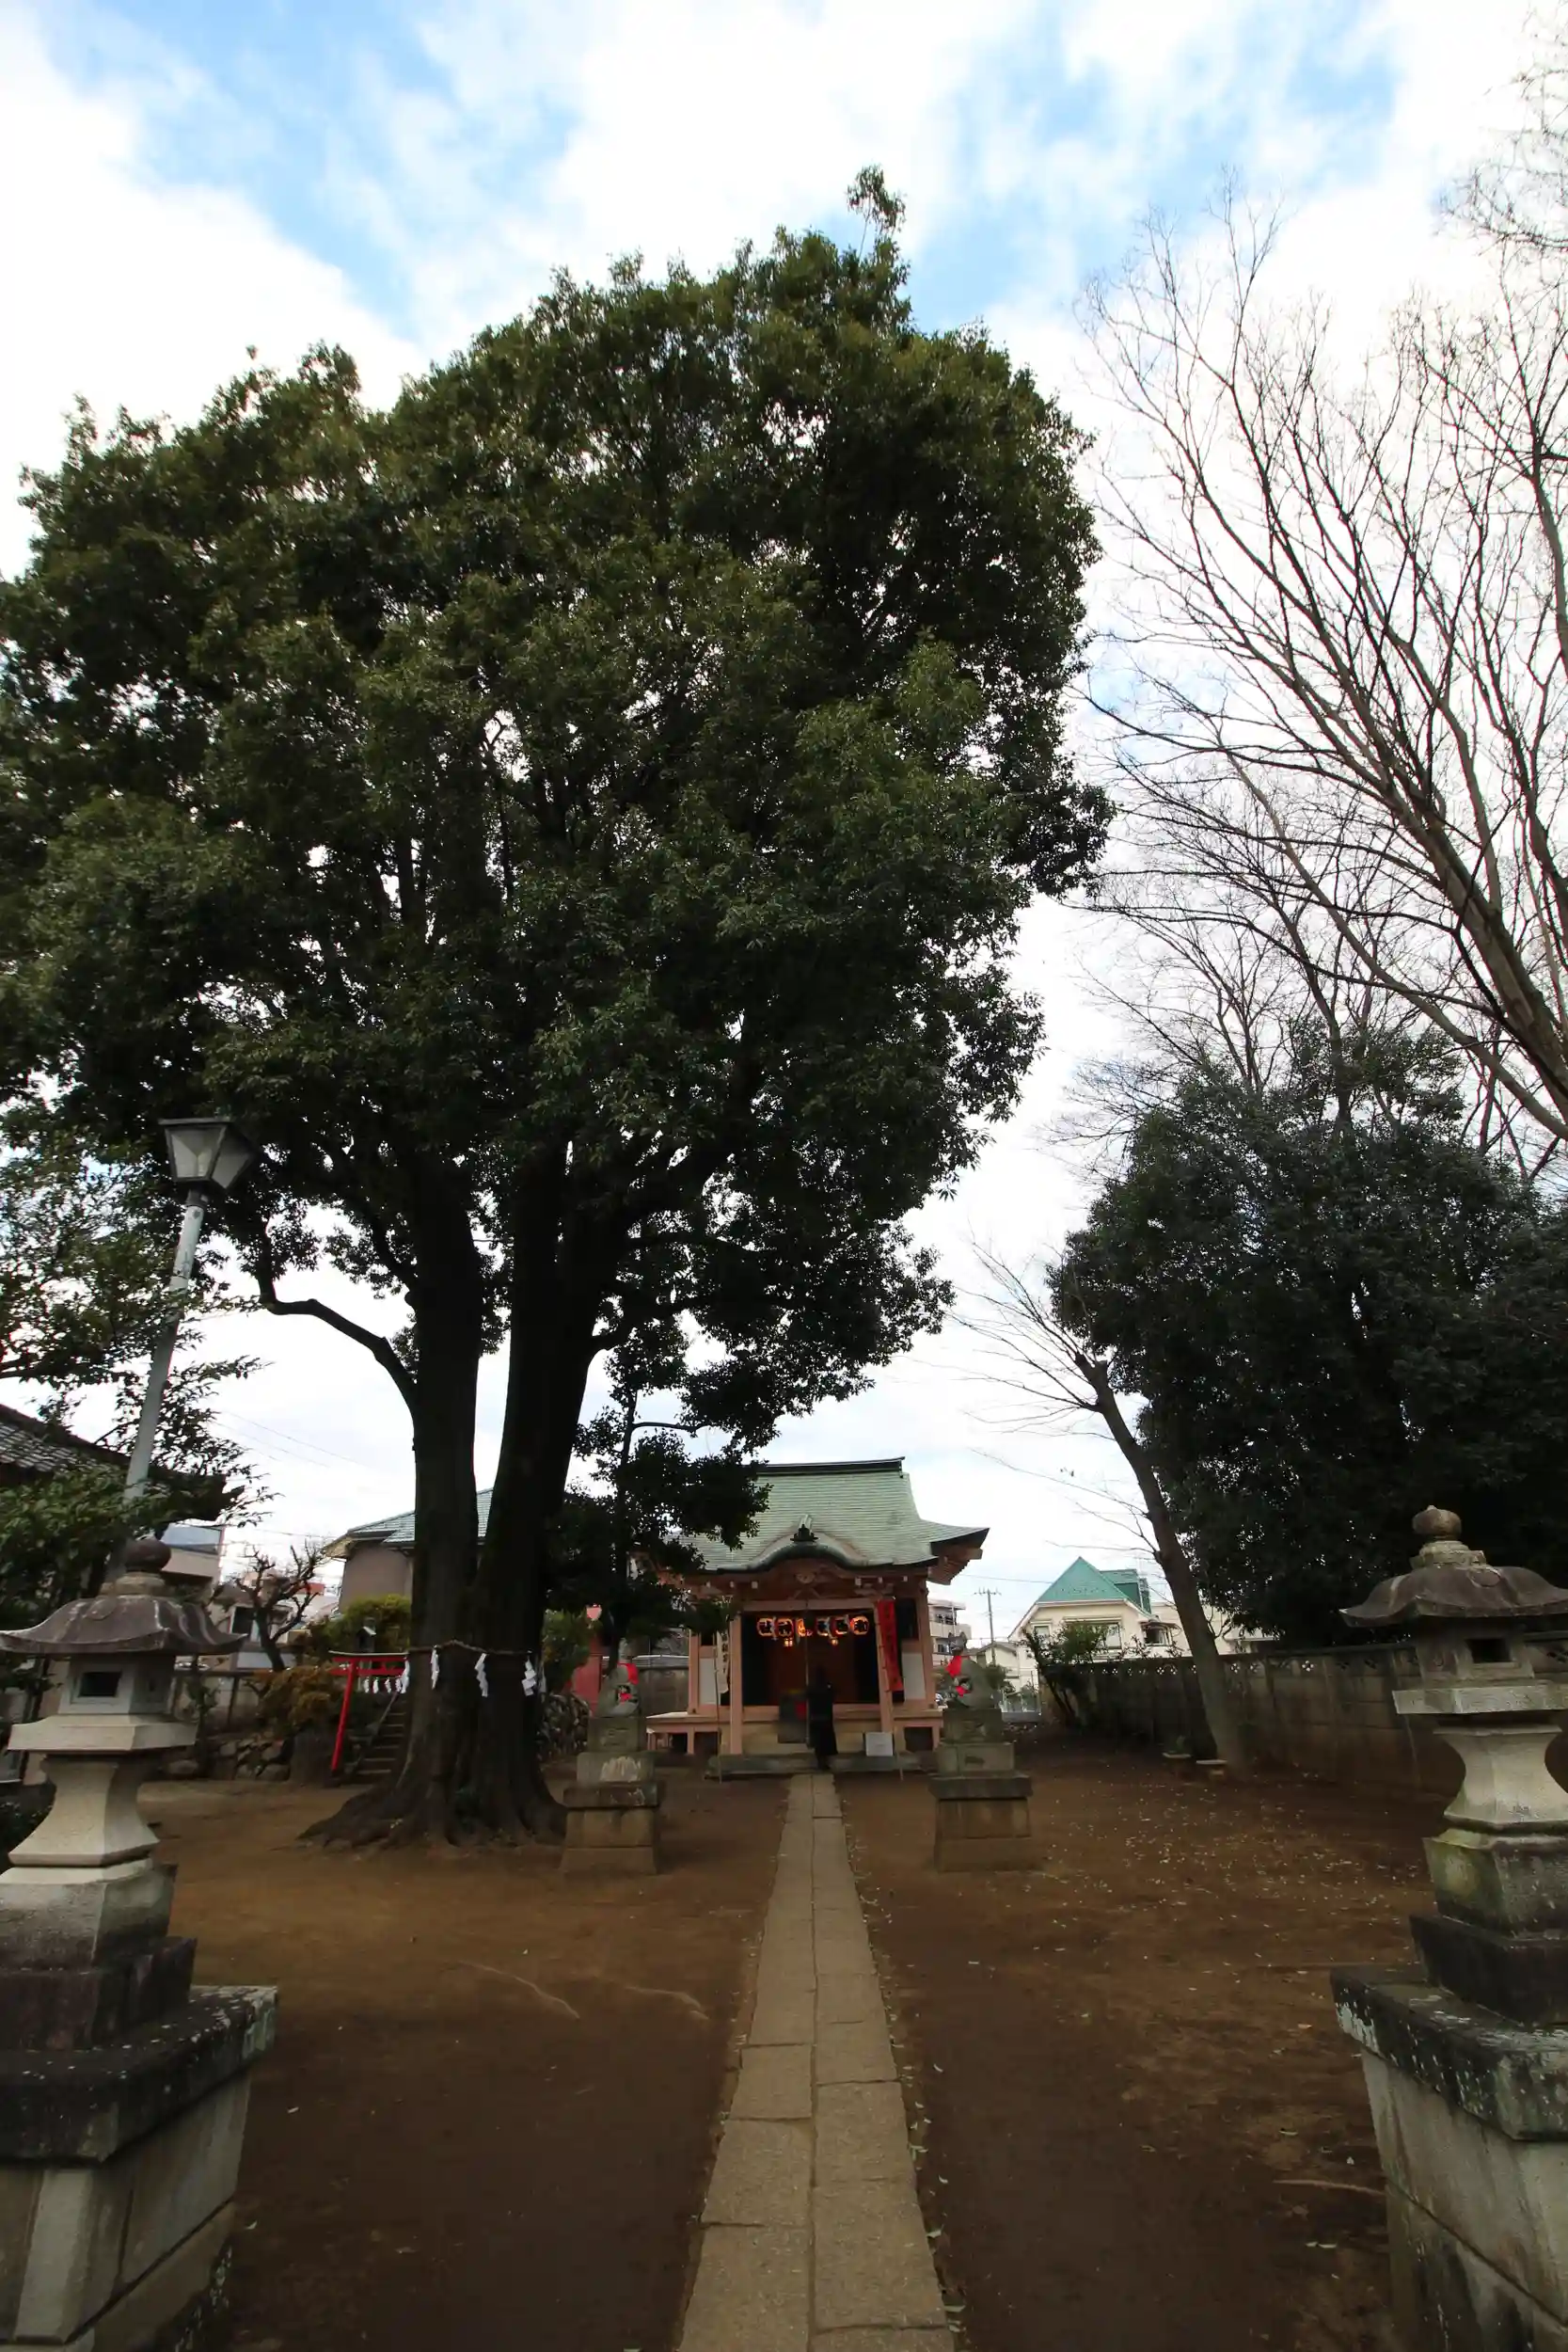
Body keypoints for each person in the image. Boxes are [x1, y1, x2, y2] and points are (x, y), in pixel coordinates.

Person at [806, 1665, 837, 1772]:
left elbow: (807, 1696)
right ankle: (824, 1762)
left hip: (815, 1718)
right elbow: (833, 1697)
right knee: (826, 1741)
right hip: (826, 1718)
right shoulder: (828, 1686)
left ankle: (820, 1762)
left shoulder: (812, 1687)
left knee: (818, 1742)